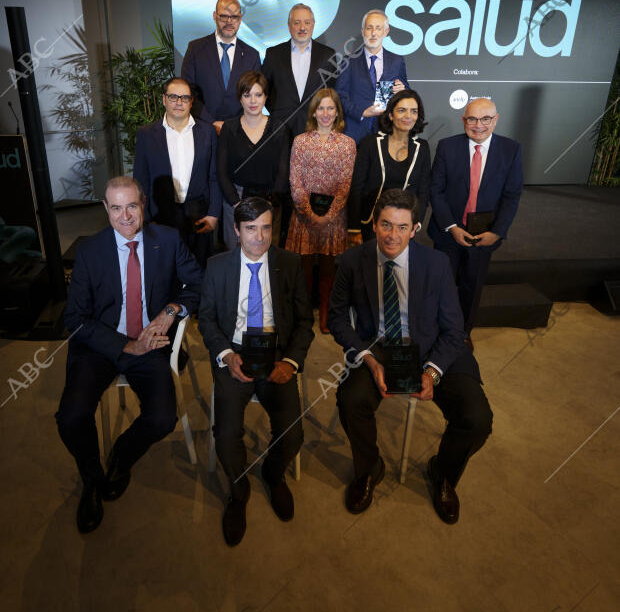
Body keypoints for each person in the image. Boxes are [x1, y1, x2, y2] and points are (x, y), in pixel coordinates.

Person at [328, 189, 492, 524]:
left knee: (477, 418)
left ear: (415, 229)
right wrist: (368, 359)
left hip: (434, 348)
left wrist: (431, 373)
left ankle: (443, 473)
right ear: (374, 225)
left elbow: (453, 327)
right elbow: (337, 318)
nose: (393, 235)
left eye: (402, 227)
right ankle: (369, 468)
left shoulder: (436, 264)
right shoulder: (350, 262)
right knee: (350, 399)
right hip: (379, 349)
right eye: (386, 225)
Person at [56, 177, 202, 534]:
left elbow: (196, 284)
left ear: (143, 204)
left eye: (132, 206)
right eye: (116, 207)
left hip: (148, 341)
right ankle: (92, 480)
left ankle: (121, 457)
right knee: (71, 416)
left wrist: (170, 311)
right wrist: (123, 345)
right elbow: (73, 319)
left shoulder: (166, 240)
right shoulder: (90, 250)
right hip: (99, 346)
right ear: (106, 209)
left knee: (162, 417)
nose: (125, 216)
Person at [199, 197, 314, 547]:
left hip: (276, 355)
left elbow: (306, 322)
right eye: (250, 229)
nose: (259, 237)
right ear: (236, 230)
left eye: (266, 228)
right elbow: (205, 319)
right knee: (227, 434)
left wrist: (290, 362)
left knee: (293, 435)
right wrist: (225, 356)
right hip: (235, 354)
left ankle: (272, 473)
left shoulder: (290, 264)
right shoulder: (217, 266)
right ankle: (238, 491)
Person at [428, 98, 523, 343]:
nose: (478, 125)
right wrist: (451, 227)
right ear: (464, 120)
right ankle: (439, 333)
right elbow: (436, 191)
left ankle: (462, 335)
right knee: (442, 287)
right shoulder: (446, 147)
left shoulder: (510, 149)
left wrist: (497, 232)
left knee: (472, 288)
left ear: (496, 119)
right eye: (472, 119)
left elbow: (512, 196)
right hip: (448, 233)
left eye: (485, 119)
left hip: (485, 235)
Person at [285, 88, 356, 333]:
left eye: (330, 108)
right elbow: (295, 182)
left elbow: (345, 185)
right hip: (303, 218)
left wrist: (328, 217)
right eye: (321, 108)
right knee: (302, 272)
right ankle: (303, 317)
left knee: (328, 272)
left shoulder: (348, 145)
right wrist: (309, 214)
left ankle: (326, 314)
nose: (325, 113)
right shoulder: (301, 141)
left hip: (333, 220)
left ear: (337, 112)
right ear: (314, 112)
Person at [133, 77, 221, 268]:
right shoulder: (147, 134)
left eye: (184, 98)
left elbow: (214, 176)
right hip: (161, 215)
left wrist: (214, 214)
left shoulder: (208, 132)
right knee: (165, 270)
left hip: (199, 214)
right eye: (173, 97)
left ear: (191, 102)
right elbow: (140, 180)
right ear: (164, 99)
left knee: (199, 269)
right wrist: (146, 219)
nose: (179, 102)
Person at [216, 71, 290, 250]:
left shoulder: (279, 127)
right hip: (235, 200)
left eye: (258, 94)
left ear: (265, 97)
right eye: (247, 95)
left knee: (267, 255)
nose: (253, 101)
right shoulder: (229, 128)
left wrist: (270, 204)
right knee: (234, 256)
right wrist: (236, 203)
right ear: (240, 98)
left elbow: (283, 171)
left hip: (270, 201)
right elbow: (221, 171)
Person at [347, 89, 431, 244]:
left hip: (403, 227)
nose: (408, 116)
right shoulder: (370, 143)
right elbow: (357, 188)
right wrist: (353, 228)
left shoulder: (422, 147)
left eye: (413, 111)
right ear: (391, 115)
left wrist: (415, 224)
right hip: (371, 226)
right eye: (402, 110)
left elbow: (424, 191)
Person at [181, 0, 261, 133]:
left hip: (240, 132)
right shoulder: (195, 49)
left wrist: (234, 124)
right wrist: (211, 122)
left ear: (240, 19)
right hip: (202, 130)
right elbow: (188, 91)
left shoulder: (252, 55)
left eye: (234, 17)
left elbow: (255, 96)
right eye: (224, 16)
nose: (229, 22)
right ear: (214, 16)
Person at [262, 3, 336, 138]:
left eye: (307, 22)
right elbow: (264, 90)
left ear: (313, 25)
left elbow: (332, 92)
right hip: (280, 128)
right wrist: (279, 110)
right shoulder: (273, 54)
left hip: (316, 128)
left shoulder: (328, 55)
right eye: (297, 23)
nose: (302, 27)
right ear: (289, 26)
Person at [336, 9, 408, 143]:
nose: (373, 33)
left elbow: (406, 93)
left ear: (386, 32)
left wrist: (403, 90)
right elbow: (340, 95)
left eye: (378, 28)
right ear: (363, 31)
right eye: (369, 28)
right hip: (354, 133)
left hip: (387, 131)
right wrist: (361, 112)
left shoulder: (397, 61)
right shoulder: (349, 61)